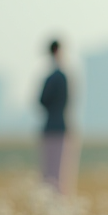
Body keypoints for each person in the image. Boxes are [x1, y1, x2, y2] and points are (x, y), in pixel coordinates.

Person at [39, 39, 71, 192]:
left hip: (50, 127)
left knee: (48, 171)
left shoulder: (50, 78)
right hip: (60, 127)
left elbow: (41, 100)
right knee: (59, 172)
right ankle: (57, 202)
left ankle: (50, 201)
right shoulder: (62, 77)